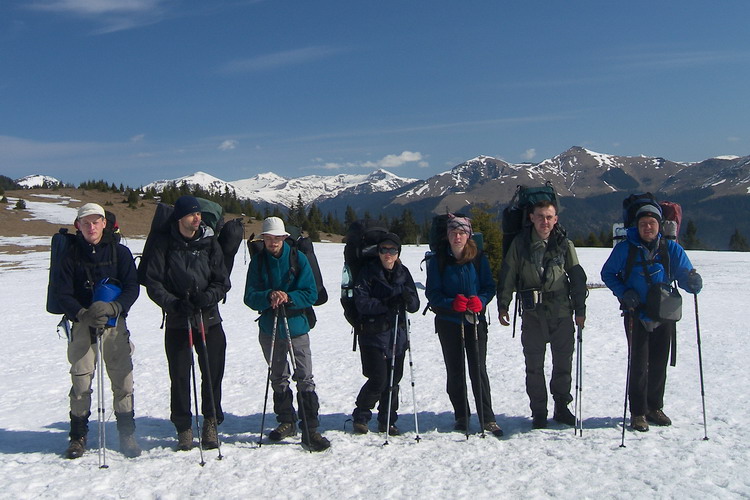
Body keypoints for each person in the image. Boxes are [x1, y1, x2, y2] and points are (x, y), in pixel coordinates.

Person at [601, 204, 702, 432]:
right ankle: (638, 412)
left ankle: (654, 407)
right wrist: (624, 292)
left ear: (660, 225)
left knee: (658, 363)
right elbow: (608, 273)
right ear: (637, 226)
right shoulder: (626, 249)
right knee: (638, 365)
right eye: (643, 223)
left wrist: (693, 284)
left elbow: (684, 274)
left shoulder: (671, 249)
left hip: (663, 313)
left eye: (652, 223)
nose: (648, 227)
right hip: (635, 314)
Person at [142, 195, 230, 451]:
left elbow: (222, 281)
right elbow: (153, 282)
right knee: (180, 375)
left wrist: (208, 297)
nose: (197, 218)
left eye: (199, 214)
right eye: (192, 214)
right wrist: (175, 304)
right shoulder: (164, 243)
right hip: (179, 321)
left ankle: (211, 421)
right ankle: (183, 427)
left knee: (212, 374)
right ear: (180, 218)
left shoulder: (209, 241)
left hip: (209, 319)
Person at [55, 203, 141, 459]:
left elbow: (132, 287)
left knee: (123, 380)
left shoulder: (120, 253)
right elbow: (62, 293)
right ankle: (78, 436)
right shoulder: (69, 256)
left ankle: (127, 434)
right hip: (82, 326)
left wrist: (114, 307)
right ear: (77, 226)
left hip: (115, 325)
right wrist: (82, 314)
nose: (91, 227)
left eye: (96, 222)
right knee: (81, 381)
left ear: (105, 223)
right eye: (85, 223)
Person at [496, 200, 587, 429]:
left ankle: (561, 407)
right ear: (531, 218)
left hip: (561, 312)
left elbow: (577, 277)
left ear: (556, 219)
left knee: (563, 362)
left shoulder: (564, 245)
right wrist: (503, 304)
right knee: (534, 365)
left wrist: (580, 310)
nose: (544, 222)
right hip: (532, 314)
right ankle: (538, 412)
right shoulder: (520, 244)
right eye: (540, 216)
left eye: (549, 217)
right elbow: (508, 274)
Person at [244, 217, 331, 452]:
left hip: (296, 326)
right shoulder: (258, 262)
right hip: (269, 327)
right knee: (279, 376)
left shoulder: (297, 258)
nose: (273, 242)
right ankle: (286, 421)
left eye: (277, 238)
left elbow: (311, 293)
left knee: (304, 376)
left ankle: (310, 427)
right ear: (264, 239)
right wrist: (269, 296)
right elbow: (249, 296)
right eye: (269, 238)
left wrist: (289, 297)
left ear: (284, 238)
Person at [425, 214, 503, 437]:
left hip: (475, 321)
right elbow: (432, 293)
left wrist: (482, 300)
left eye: (461, 233)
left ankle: (487, 417)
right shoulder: (438, 259)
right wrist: (451, 303)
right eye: (453, 232)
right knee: (455, 369)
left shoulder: (478, 258)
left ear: (469, 235)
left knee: (478, 369)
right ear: (447, 235)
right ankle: (462, 415)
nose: (457, 236)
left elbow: (489, 286)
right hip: (449, 322)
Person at [350, 233, 420, 436]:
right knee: (378, 378)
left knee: (394, 378)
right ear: (378, 252)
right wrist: (387, 303)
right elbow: (361, 303)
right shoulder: (368, 272)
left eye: (392, 250)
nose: (388, 254)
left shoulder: (403, 272)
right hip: (372, 334)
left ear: (398, 252)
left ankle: (388, 419)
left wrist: (407, 299)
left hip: (397, 335)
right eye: (384, 250)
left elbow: (415, 305)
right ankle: (361, 415)